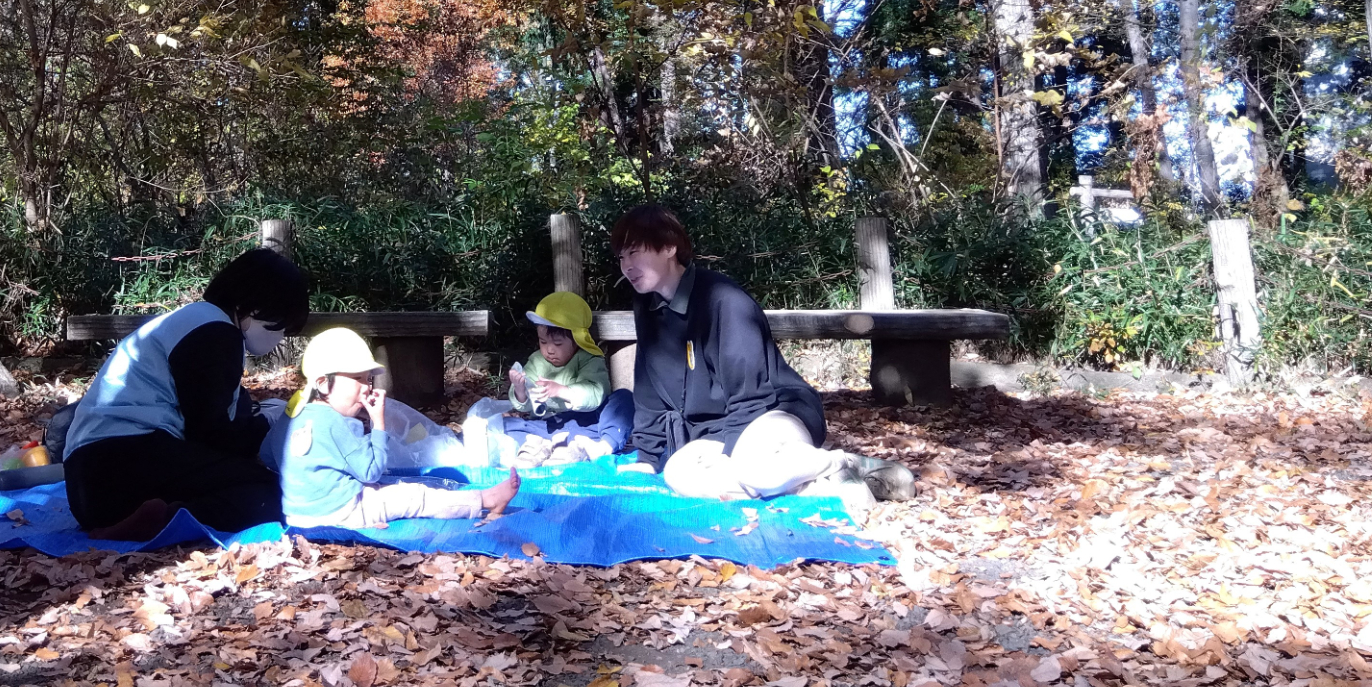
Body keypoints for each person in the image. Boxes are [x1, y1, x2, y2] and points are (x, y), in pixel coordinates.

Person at [613, 204, 912, 504]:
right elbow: (649, 388)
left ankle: (841, 463)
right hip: (714, 433)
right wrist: (648, 456)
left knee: (752, 469)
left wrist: (730, 455)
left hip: (774, 412)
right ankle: (825, 485)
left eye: (635, 252)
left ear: (668, 247)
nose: (626, 266)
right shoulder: (647, 307)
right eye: (622, 257)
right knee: (678, 474)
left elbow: (751, 395)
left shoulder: (722, 300)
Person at [61, 247, 309, 541]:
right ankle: (168, 519)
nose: (280, 338)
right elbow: (211, 434)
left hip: (86, 486)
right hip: (124, 463)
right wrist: (269, 426)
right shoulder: (215, 331)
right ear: (253, 307)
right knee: (276, 493)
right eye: (279, 326)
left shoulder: (188, 320)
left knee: (248, 482)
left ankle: (154, 518)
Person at [282, 328, 519, 528]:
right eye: (358, 379)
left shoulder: (293, 413)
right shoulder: (340, 425)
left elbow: (268, 454)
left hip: (297, 516)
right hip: (340, 513)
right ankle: (485, 500)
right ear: (323, 383)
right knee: (414, 496)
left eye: (368, 379)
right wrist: (378, 423)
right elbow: (372, 472)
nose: (366, 388)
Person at [501, 291, 635, 465]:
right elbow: (528, 406)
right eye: (543, 342)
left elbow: (595, 393)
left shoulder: (590, 359)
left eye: (557, 344)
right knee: (504, 424)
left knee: (623, 399)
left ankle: (603, 447)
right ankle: (542, 447)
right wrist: (520, 390)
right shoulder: (536, 361)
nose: (549, 349)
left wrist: (561, 390)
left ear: (578, 340)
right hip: (548, 427)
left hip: (588, 427)